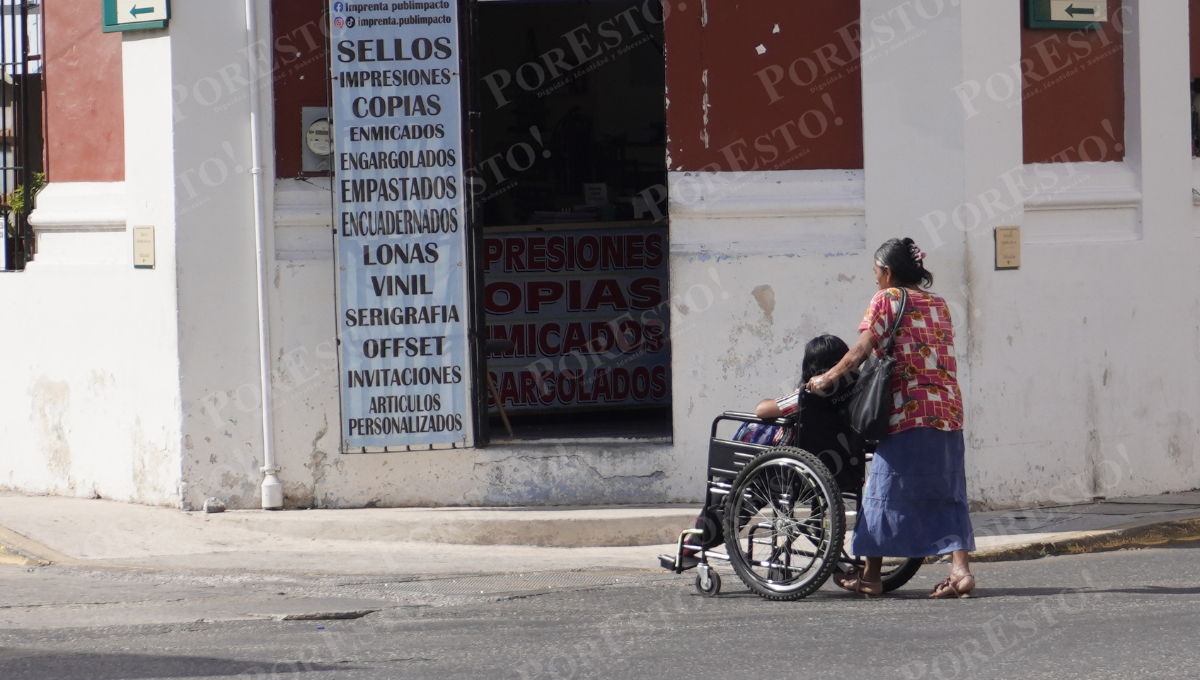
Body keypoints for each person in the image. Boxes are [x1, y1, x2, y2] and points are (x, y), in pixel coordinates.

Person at [807, 238, 975, 598]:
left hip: (909, 410)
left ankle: (870, 576)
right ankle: (960, 572)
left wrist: (827, 377)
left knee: (879, 492)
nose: (876, 281)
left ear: (888, 271)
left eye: (876, 273)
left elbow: (861, 350)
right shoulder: (940, 304)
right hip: (947, 409)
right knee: (948, 491)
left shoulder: (888, 299)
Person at [674, 334, 861, 568]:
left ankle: (695, 539)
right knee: (743, 487)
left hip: (791, 476)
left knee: (728, 486)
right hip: (841, 471)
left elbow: (762, 410)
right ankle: (698, 536)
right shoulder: (856, 395)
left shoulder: (809, 395)